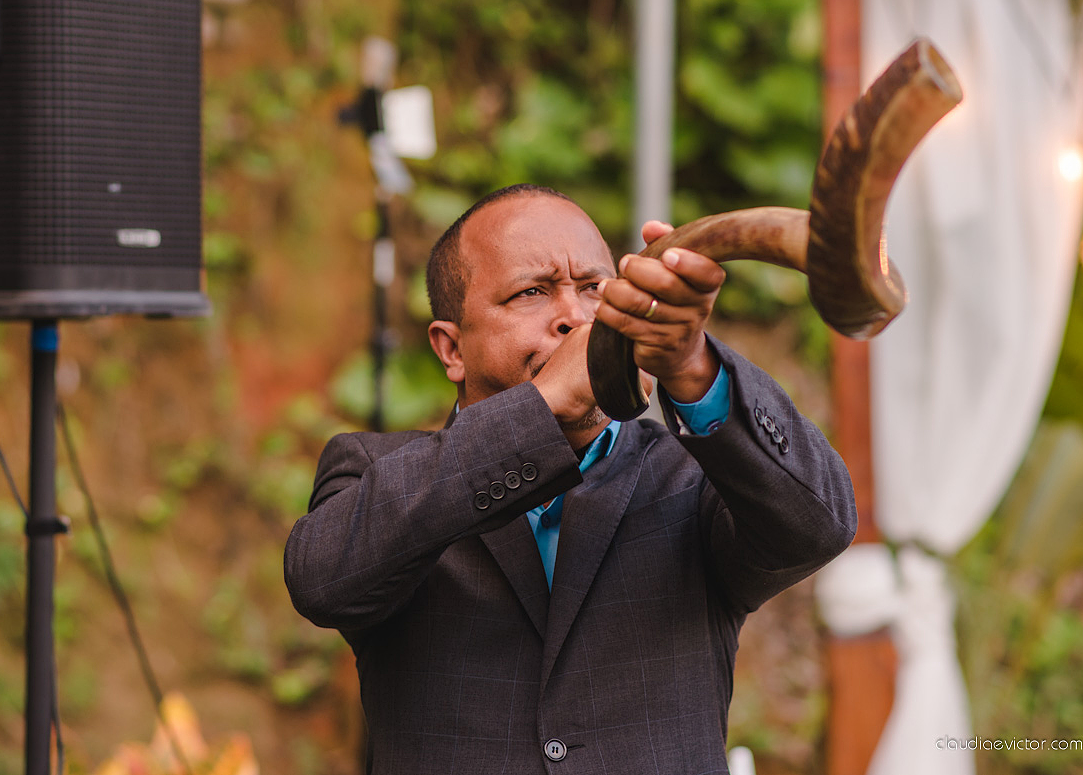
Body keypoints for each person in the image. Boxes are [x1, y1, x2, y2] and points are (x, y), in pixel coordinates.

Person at [285, 183, 857, 774]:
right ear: (451, 348)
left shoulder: (697, 477)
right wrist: (542, 408)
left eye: (594, 289)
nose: (576, 318)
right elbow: (325, 582)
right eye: (532, 293)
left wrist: (692, 366)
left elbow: (818, 528)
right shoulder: (377, 470)